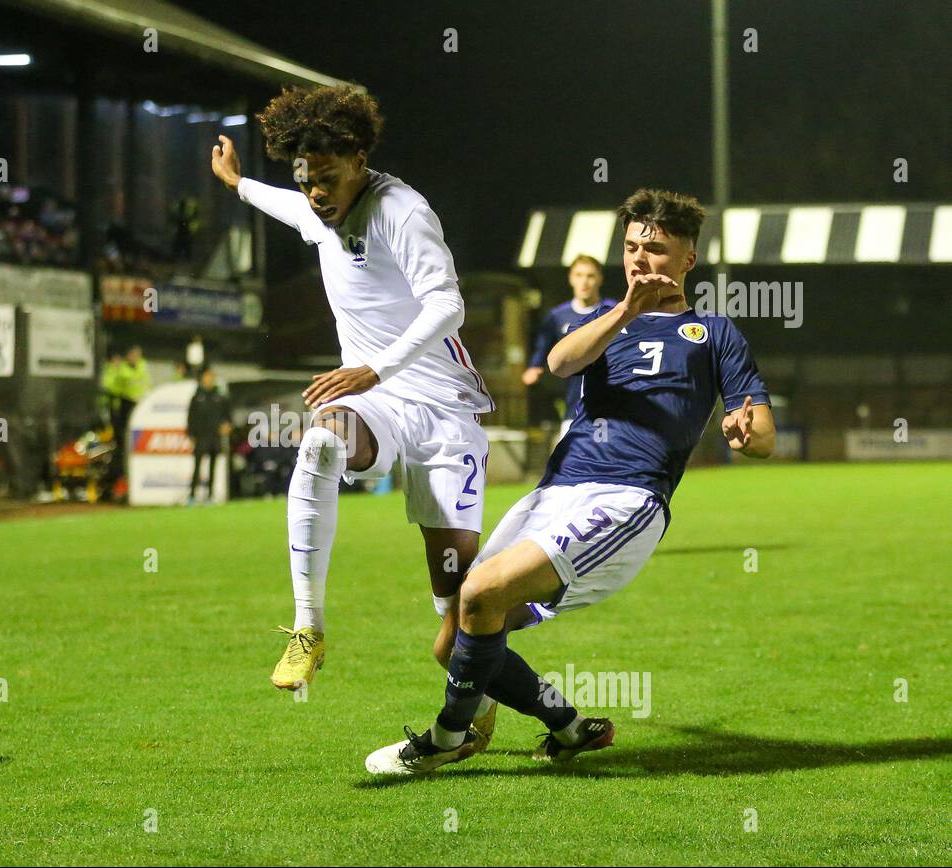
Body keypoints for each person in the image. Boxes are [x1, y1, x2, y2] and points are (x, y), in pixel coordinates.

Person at [365, 187, 776, 776]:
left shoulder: (714, 334)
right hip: (556, 491)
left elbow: (763, 435)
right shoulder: (602, 325)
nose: (639, 259)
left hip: (628, 497)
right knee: (456, 637)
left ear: (689, 259)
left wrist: (743, 430)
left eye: (656, 249)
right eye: (632, 246)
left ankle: (448, 735)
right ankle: (572, 728)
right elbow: (560, 364)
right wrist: (626, 311)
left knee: (481, 596)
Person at [212, 87, 494, 716]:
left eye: (327, 178)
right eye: (306, 179)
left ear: (359, 159)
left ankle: (510, 711)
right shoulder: (320, 204)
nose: (315, 193)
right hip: (374, 402)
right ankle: (308, 626)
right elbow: (289, 207)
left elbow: (448, 305)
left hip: (443, 410)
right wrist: (238, 184)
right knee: (317, 443)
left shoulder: (402, 211)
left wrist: (376, 367)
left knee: (457, 621)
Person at [525, 255, 618, 441]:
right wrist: (534, 366)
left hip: (611, 403)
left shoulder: (614, 312)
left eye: (590, 276)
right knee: (569, 462)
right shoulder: (557, 316)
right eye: (579, 275)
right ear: (571, 278)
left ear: (599, 278)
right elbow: (543, 345)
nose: (585, 281)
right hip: (573, 405)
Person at [186, 367, 232, 504]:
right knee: (197, 466)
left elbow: (227, 414)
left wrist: (227, 424)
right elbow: (191, 417)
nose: (209, 379)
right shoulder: (197, 396)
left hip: (215, 436)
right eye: (207, 376)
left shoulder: (219, 395)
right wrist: (191, 434)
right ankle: (192, 495)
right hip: (201, 436)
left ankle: (210, 495)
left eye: (211, 376)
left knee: (213, 465)